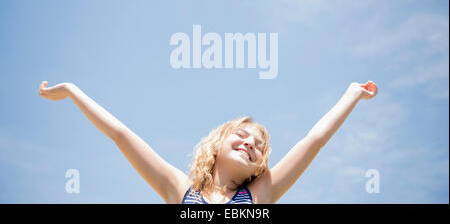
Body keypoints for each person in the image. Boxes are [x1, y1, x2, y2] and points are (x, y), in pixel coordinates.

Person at [38, 80, 378, 203]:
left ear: (260, 164)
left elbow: (314, 140)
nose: (250, 144)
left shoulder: (261, 193)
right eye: (241, 135)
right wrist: (72, 91)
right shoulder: (179, 188)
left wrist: (351, 95)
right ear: (216, 145)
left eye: (258, 145)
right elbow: (121, 135)